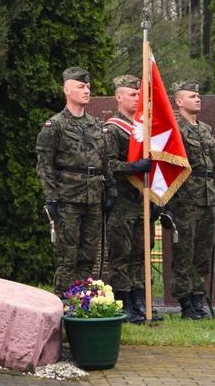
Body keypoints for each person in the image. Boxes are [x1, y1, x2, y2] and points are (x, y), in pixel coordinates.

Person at [35, 67, 116, 298]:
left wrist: (111, 191)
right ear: (67, 90)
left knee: (87, 256)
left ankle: (82, 303)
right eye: (81, 86)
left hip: (93, 199)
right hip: (68, 199)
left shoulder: (96, 125)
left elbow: (105, 160)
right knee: (67, 258)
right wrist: (51, 196)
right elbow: (44, 164)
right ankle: (63, 304)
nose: (86, 90)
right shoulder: (55, 125)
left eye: (88, 87)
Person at [165, 80, 215, 320]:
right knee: (185, 253)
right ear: (179, 102)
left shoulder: (206, 129)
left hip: (208, 199)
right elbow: (170, 168)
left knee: (203, 253)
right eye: (192, 96)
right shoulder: (175, 130)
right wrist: (171, 203)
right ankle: (186, 302)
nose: (198, 98)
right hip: (186, 201)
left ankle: (198, 299)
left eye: (198, 95)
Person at [104, 75, 152, 323]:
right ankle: (124, 304)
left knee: (140, 254)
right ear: (119, 97)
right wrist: (133, 166)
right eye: (132, 95)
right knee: (122, 255)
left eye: (139, 94)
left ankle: (139, 303)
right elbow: (109, 164)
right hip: (122, 202)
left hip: (141, 200)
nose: (137, 98)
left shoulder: (143, 126)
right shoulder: (113, 128)